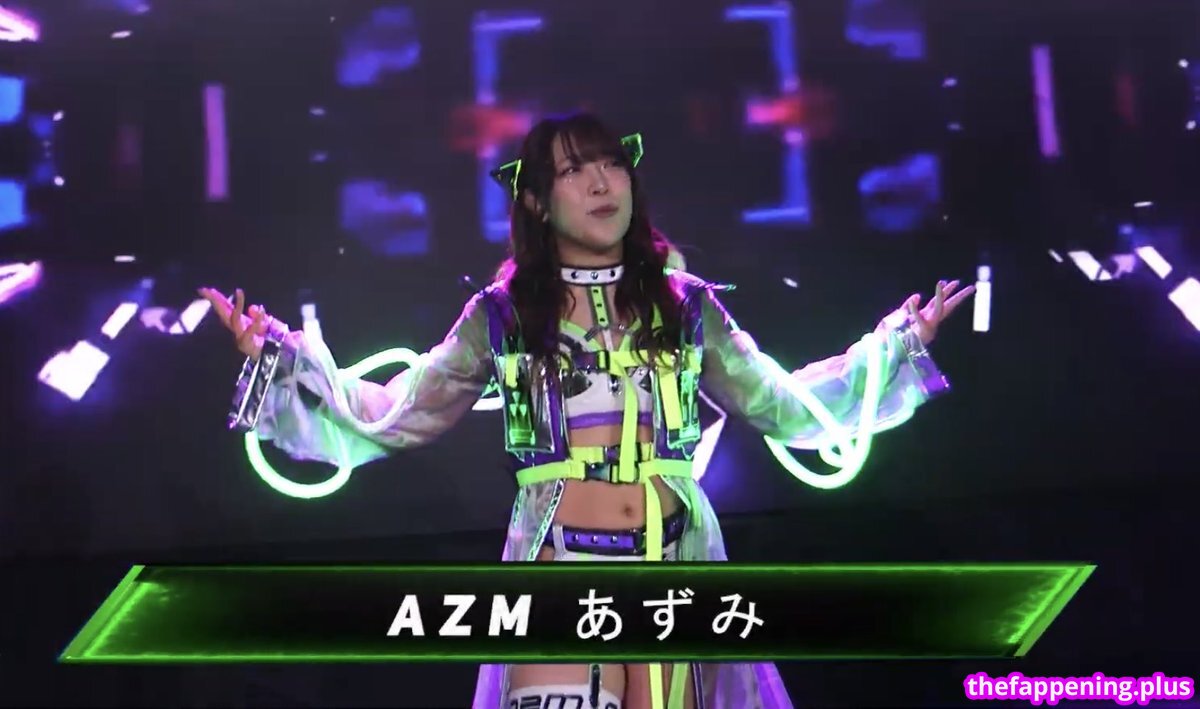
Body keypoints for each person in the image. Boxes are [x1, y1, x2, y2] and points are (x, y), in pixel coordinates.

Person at [199, 113, 973, 709]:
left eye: (611, 164)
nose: (603, 183)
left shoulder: (685, 305)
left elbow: (784, 404)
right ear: (537, 200)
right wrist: (283, 357)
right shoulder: (502, 314)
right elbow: (396, 411)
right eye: (575, 170)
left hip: (673, 565)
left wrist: (893, 348)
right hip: (559, 566)